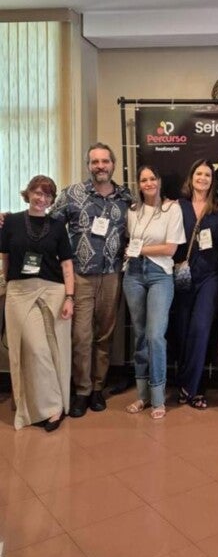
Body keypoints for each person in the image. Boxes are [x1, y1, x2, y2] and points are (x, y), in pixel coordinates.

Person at [51, 142, 132, 417]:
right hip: (80, 277)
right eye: (95, 162)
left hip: (112, 275)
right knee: (81, 336)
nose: (100, 166)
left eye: (105, 161)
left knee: (105, 335)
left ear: (113, 164)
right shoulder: (72, 194)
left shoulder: (126, 197)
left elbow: (147, 219)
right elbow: (48, 224)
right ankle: (82, 391)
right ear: (88, 165)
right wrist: (10, 219)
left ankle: (98, 387)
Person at [0, 176, 74, 431]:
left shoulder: (57, 225)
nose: (41, 199)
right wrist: (8, 284)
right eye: (37, 193)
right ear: (28, 193)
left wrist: (70, 297)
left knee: (53, 348)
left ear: (52, 200)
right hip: (19, 291)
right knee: (33, 349)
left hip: (53, 290)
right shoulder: (10, 222)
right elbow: (6, 258)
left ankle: (54, 407)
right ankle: (41, 405)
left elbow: (66, 264)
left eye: (47, 195)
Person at [123, 165, 185, 419]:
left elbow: (170, 249)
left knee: (155, 335)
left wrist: (139, 250)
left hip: (160, 274)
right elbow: (129, 240)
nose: (148, 183)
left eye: (152, 178)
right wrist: (134, 253)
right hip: (133, 274)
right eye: (143, 180)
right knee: (139, 335)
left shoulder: (172, 209)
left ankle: (158, 397)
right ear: (138, 184)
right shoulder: (132, 211)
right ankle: (142, 395)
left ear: (159, 181)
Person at [173, 159, 218, 409]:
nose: (202, 178)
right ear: (191, 177)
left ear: (212, 180)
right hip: (183, 275)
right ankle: (187, 384)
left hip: (210, 276)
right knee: (182, 329)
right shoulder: (176, 206)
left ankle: (193, 389)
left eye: (207, 175)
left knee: (201, 327)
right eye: (199, 174)